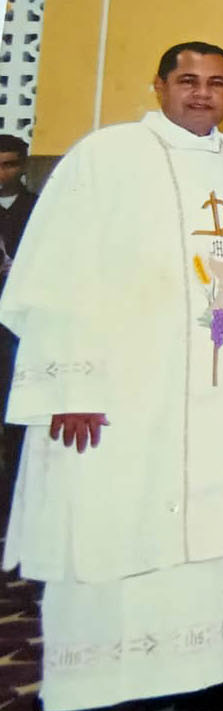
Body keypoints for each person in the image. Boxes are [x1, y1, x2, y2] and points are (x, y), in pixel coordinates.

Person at [0, 41, 223, 711]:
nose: (202, 94)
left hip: (204, 391)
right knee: (104, 537)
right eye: (187, 80)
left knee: (195, 535)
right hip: (115, 394)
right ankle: (79, 699)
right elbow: (51, 275)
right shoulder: (105, 156)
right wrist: (70, 385)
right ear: (159, 85)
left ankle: (188, 671)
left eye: (215, 83)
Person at [0, 134, 38, 498]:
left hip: (17, 331)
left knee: (13, 419)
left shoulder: (38, 208)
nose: (1, 173)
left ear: (23, 166)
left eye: (9, 164)